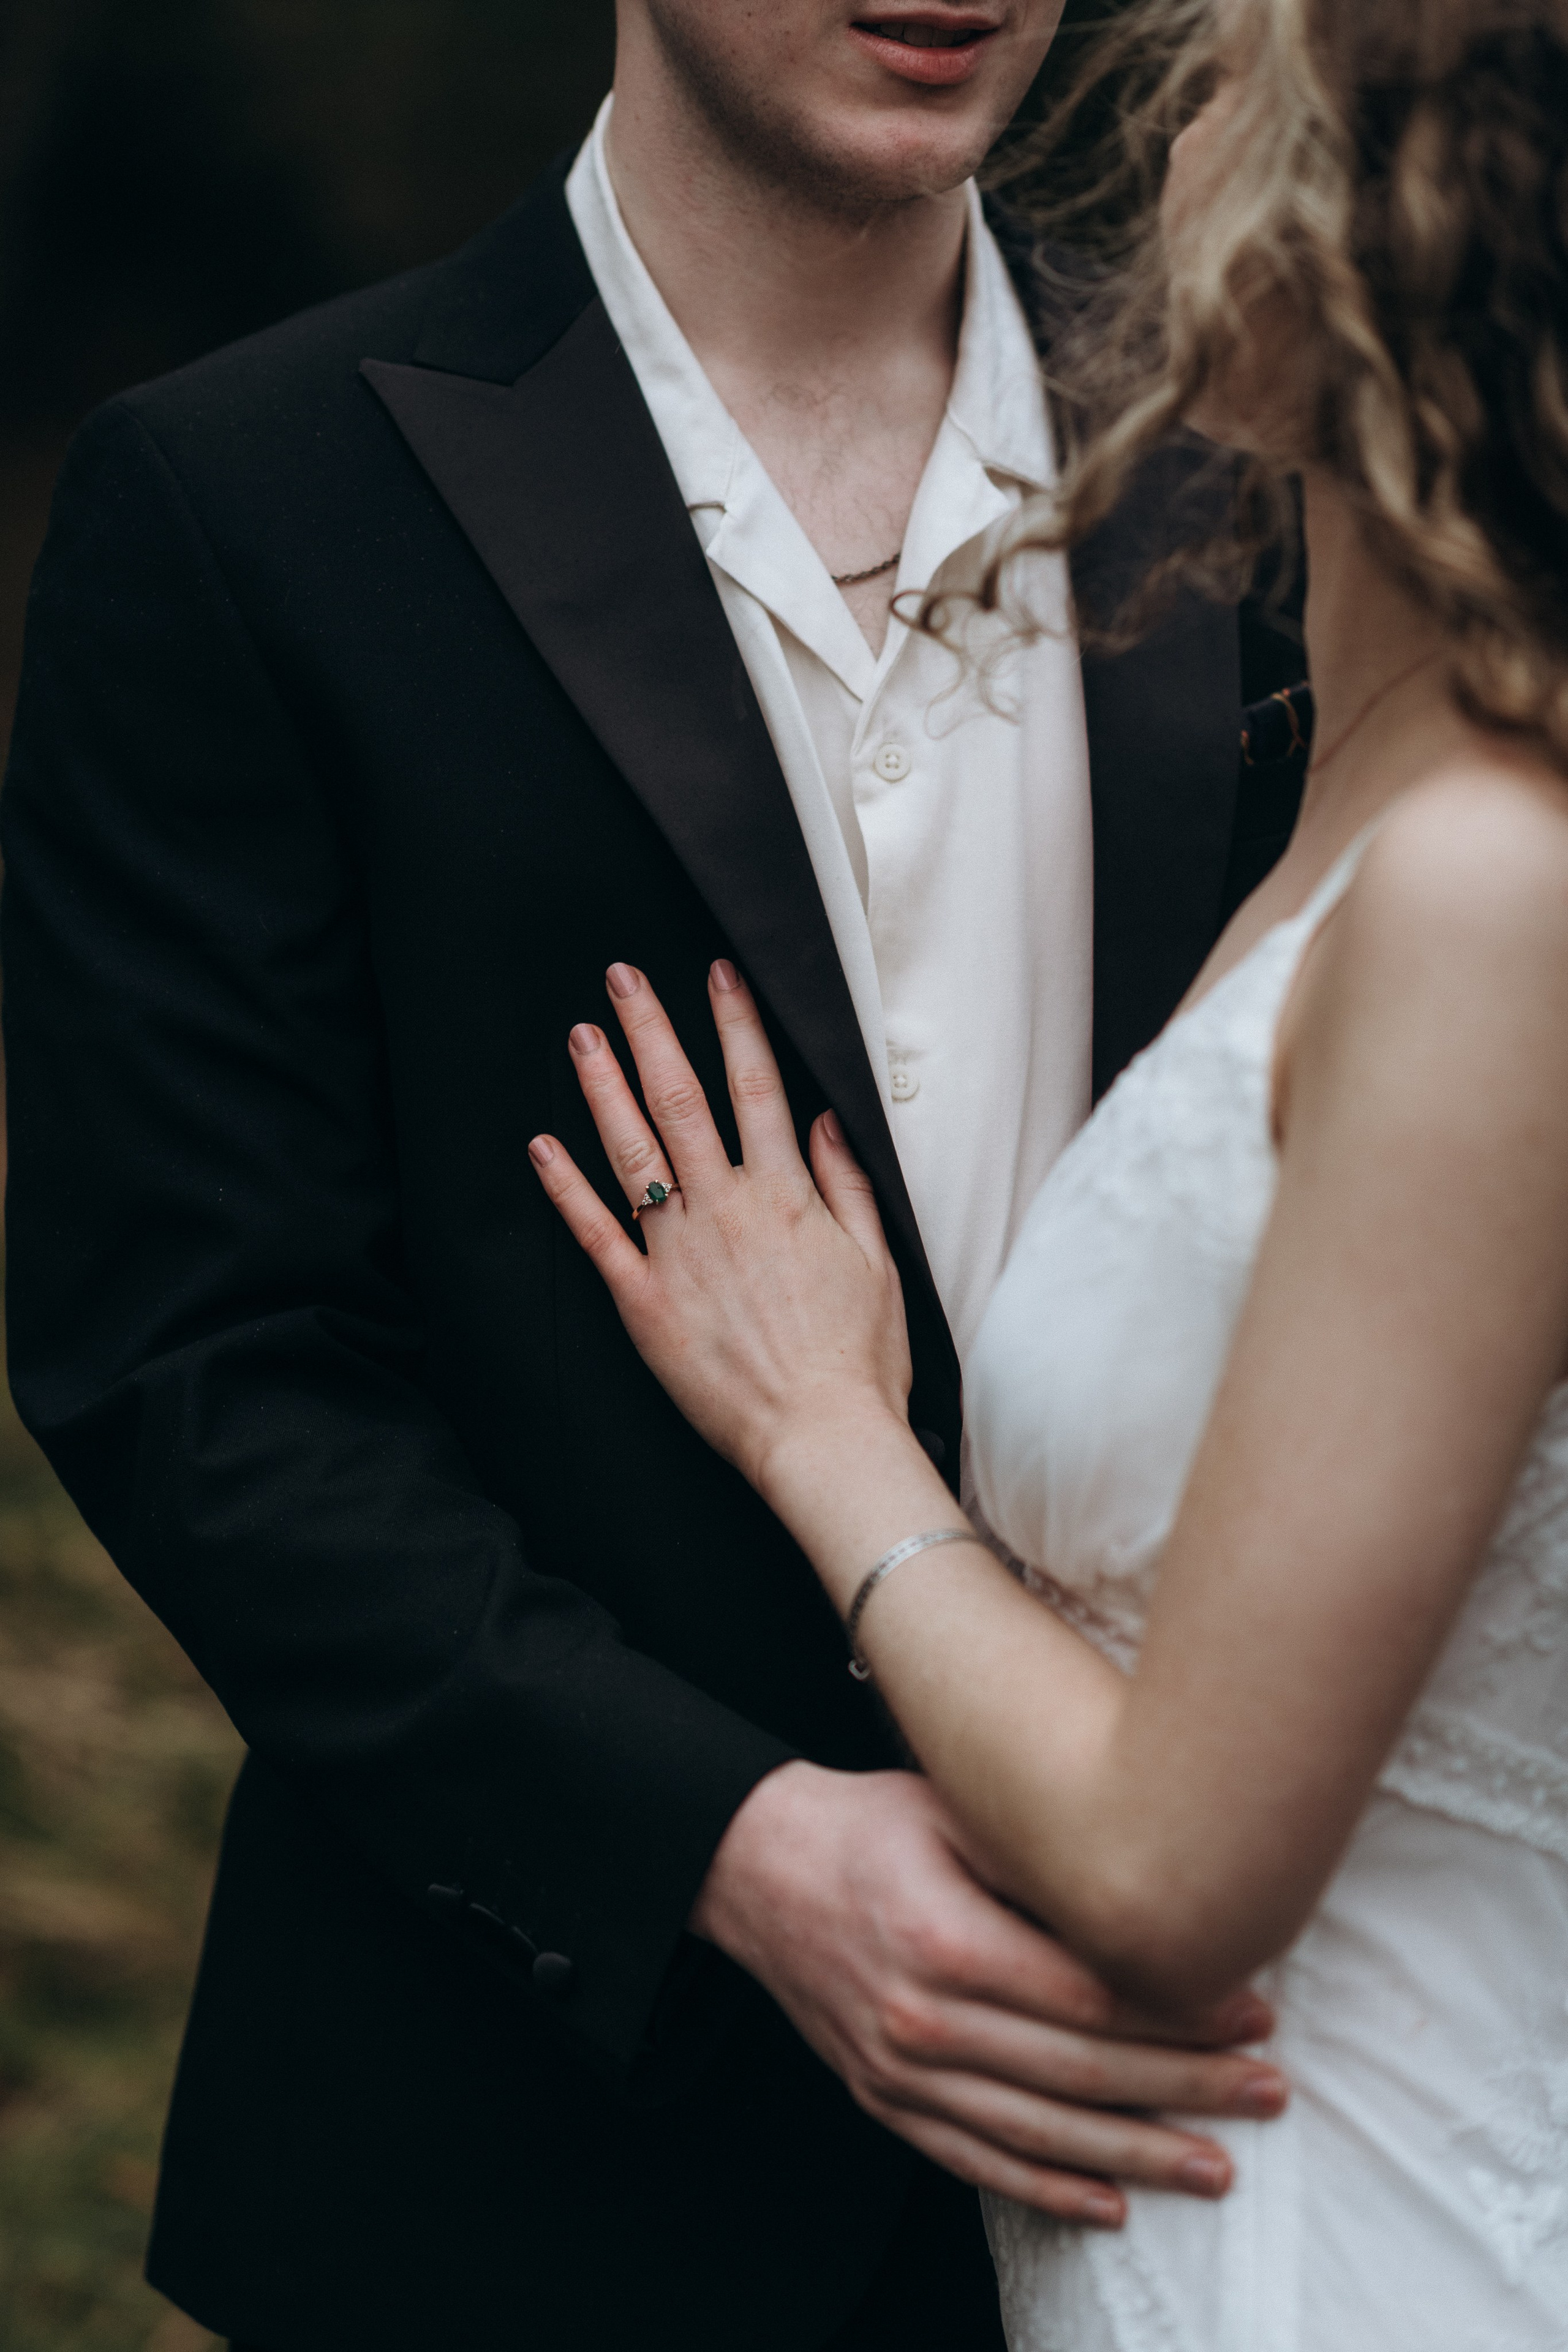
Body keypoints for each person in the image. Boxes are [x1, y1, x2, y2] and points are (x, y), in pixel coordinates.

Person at [1, 5, 1301, 2349]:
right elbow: (204, 1370)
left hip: (1232, 2127)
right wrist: (730, 1844)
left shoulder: (1284, 444)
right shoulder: (245, 501)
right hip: (549, 2179)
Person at [528, 0, 1568, 2343]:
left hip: (1344, 2235)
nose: (1170, 124)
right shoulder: (1377, 806)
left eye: (1232, 88)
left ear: (1364, 235)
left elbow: (1173, 1863)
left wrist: (824, 1431)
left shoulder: (1490, 886)